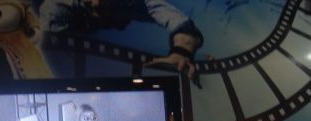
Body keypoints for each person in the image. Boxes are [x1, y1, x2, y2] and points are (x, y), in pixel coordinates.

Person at [38, 0, 204, 81]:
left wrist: (180, 53)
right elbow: (48, 55)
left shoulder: (138, 3)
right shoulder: (56, 7)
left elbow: (185, 29)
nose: (97, 4)